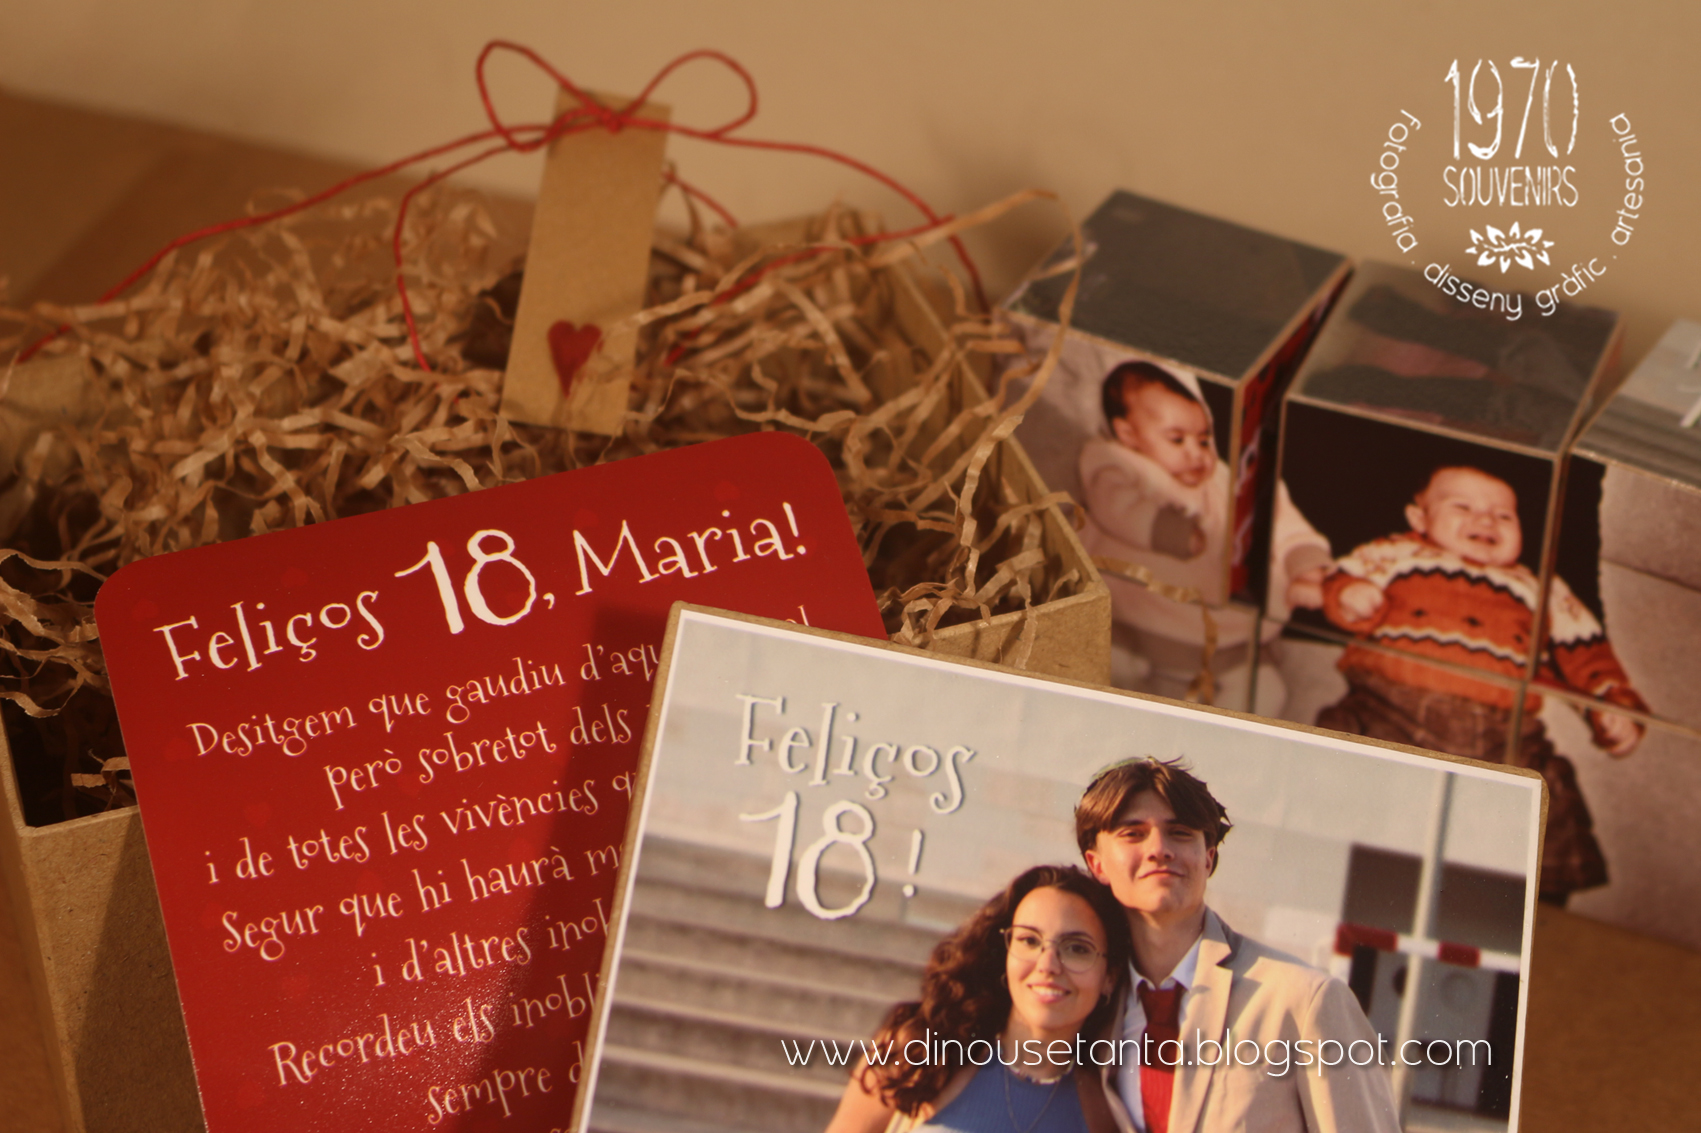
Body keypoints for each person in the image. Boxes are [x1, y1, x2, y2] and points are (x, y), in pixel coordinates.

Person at [1314, 464, 1649, 903]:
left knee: (1541, 792)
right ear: (1419, 518)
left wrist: (1612, 704)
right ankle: (1341, 880)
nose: (1486, 520)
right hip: (1390, 711)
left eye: (1504, 515)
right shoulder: (1395, 554)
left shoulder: (1540, 588)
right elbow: (1339, 579)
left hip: (1502, 734)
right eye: (1464, 507)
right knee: (1344, 769)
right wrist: (1349, 595)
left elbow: (1585, 651)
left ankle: (1526, 906)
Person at [1075, 759, 1398, 1133]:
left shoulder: (1305, 1000)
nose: (1159, 849)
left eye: (1180, 832)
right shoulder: (1091, 1008)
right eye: (1133, 833)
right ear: (1097, 864)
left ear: (1208, 857)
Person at [824, 865, 1131, 1133]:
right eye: (1029, 940)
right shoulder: (919, 1054)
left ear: (1109, 977)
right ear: (1006, 953)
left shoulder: (1101, 1113)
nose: (1048, 964)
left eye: (1077, 948)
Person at [1076, 361, 1282, 715]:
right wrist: (1169, 531)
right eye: (1177, 439)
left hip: (1212, 629)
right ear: (1127, 434)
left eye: (1203, 439)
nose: (1196, 452)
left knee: (1267, 690)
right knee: (1107, 666)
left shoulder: (1214, 478)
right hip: (1131, 620)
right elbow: (1114, 504)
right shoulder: (1114, 462)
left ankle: (1222, 727)